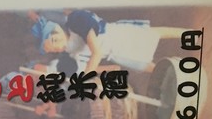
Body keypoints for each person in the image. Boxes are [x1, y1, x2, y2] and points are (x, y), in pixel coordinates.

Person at [31, 9, 186, 74]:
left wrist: (86, 76)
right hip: (115, 53)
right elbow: (81, 64)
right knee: (146, 66)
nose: (57, 50)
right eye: (53, 51)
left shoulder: (75, 21)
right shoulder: (69, 51)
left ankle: (190, 34)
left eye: (54, 45)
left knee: (153, 34)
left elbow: (96, 53)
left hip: (116, 36)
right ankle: (178, 75)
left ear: (56, 32)